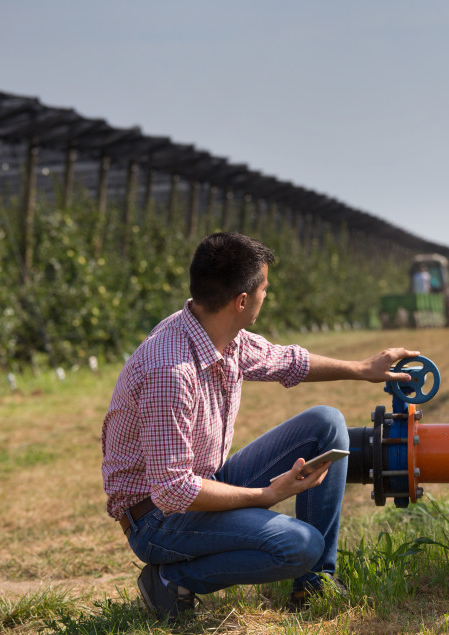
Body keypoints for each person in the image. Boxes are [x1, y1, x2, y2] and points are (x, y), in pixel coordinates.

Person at [101, 231, 418, 623]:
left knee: (327, 422)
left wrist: (362, 370)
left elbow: (285, 361)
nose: (267, 296)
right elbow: (171, 490)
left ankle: (314, 582)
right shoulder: (171, 370)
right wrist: (265, 495)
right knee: (300, 545)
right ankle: (171, 579)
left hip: (201, 482)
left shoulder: (217, 332)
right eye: (265, 288)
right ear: (242, 301)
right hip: (156, 519)